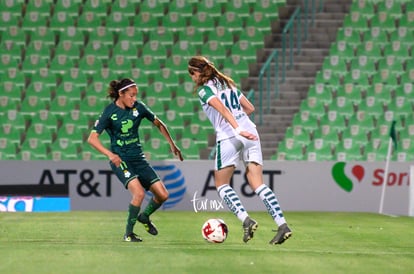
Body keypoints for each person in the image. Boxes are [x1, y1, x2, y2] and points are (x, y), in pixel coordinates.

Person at [187, 56, 292, 245]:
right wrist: (242, 124)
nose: (192, 78)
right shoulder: (228, 84)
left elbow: (224, 112)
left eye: (192, 74)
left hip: (230, 136)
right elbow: (250, 108)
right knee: (258, 184)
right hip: (251, 132)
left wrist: (236, 129)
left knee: (221, 185)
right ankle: (282, 225)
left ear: (197, 72)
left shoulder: (204, 90)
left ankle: (246, 220)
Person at [87, 78, 183, 242]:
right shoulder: (109, 112)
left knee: (163, 195)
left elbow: (159, 123)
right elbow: (92, 139)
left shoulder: (139, 108)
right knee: (138, 193)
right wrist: (110, 155)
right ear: (121, 94)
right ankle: (128, 234)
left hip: (139, 159)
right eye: (131, 96)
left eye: (135, 95)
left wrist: (172, 144)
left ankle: (144, 217)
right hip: (121, 160)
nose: (134, 99)